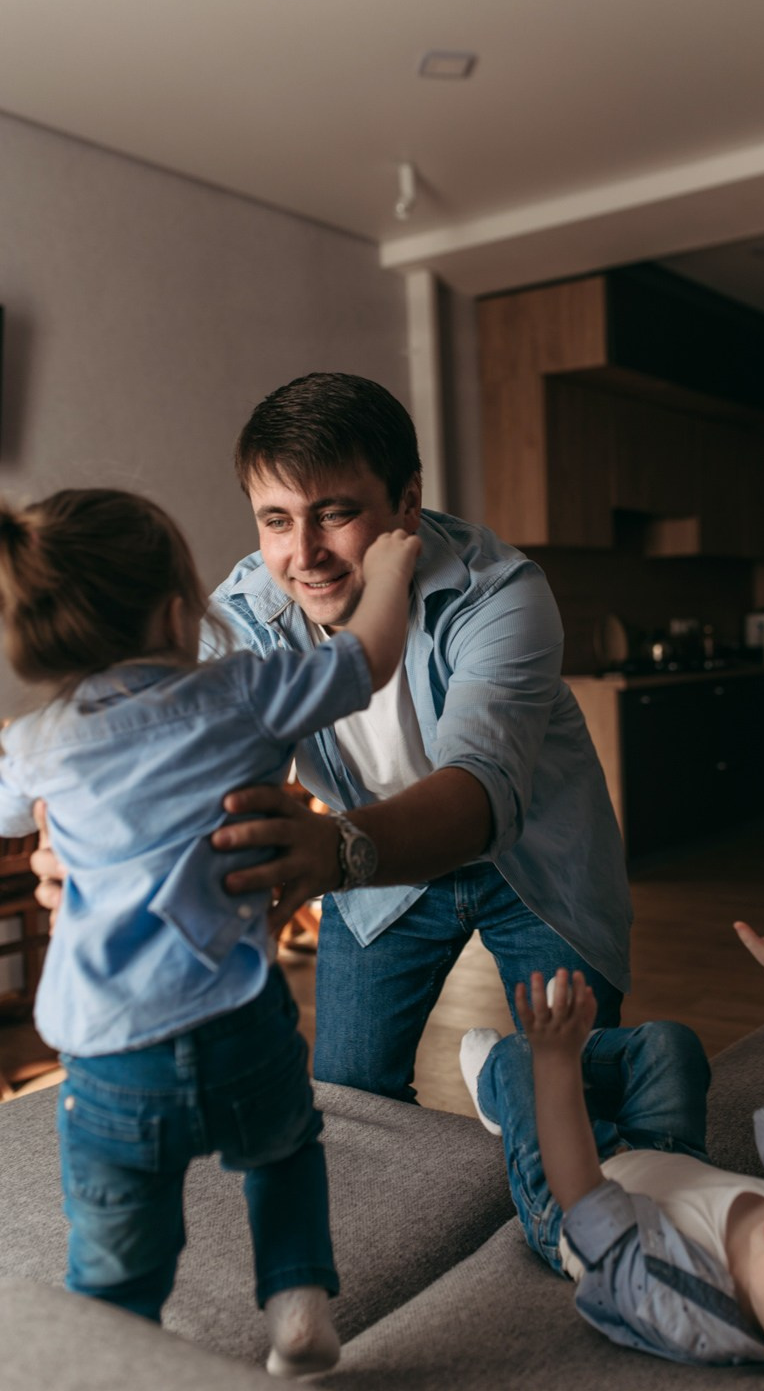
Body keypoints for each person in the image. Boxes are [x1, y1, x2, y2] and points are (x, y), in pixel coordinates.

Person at [0, 487, 420, 1378]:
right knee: (285, 1152)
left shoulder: (40, 742)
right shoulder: (242, 690)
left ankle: (119, 1347)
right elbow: (367, 659)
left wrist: (34, 786)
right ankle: (297, 1309)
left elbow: (6, 811)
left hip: (113, 1059)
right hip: (239, 1022)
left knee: (116, 1251)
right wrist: (388, 566)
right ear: (172, 614)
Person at [185, 370, 632, 1102]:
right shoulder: (240, 618)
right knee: (352, 1100)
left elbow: (482, 791)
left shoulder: (500, 593)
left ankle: (518, 1097)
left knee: (573, 1097)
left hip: (533, 860)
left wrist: (332, 850)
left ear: (408, 501)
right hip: (371, 866)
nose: (304, 554)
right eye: (276, 521)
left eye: (333, 514)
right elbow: (170, 750)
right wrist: (81, 844)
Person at [459, 877, 764, 1389]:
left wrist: (555, 1064)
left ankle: (503, 1086)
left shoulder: (678, 1304)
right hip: (670, 1155)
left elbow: (584, 1195)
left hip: (569, 1194)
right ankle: (568, 1057)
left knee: (522, 1059)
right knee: (671, 1044)